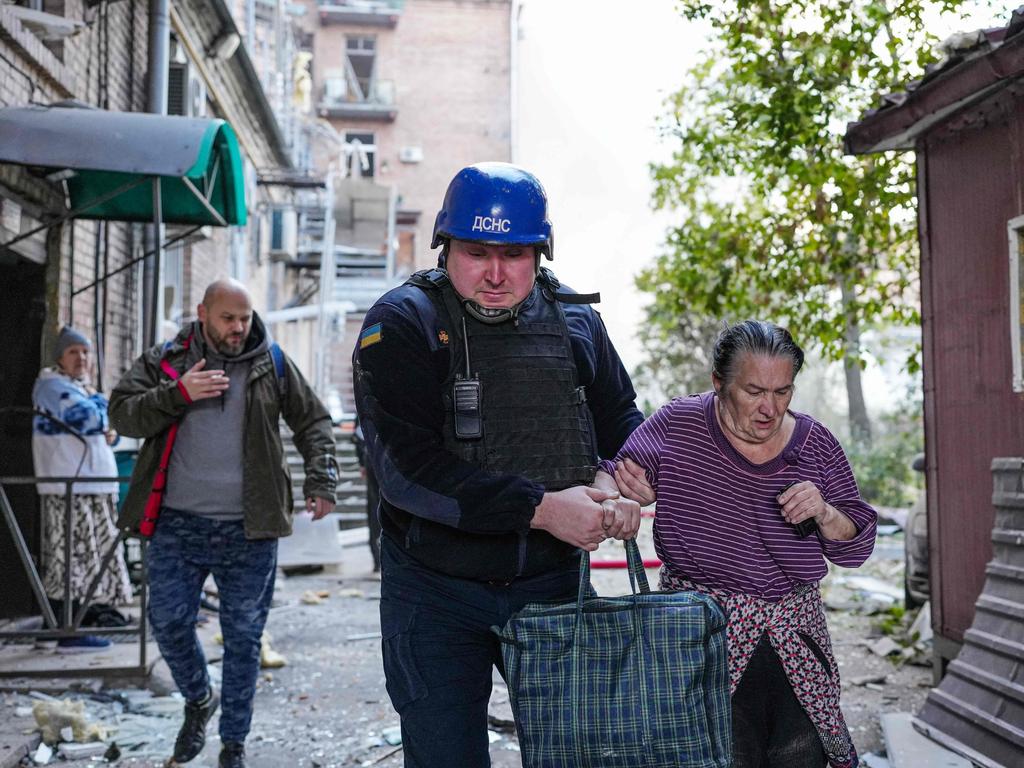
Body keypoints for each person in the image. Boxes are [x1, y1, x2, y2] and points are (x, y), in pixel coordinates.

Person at [353, 162, 645, 767]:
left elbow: (626, 425)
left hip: (551, 587)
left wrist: (613, 479)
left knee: (570, 756)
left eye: (513, 253)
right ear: (445, 246)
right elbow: (407, 474)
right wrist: (541, 510)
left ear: (540, 252)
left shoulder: (576, 321)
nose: (493, 273)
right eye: (476, 251)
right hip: (435, 590)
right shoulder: (402, 324)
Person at [606, 320, 877, 768]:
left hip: (794, 642)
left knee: (799, 757)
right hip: (699, 638)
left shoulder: (816, 445)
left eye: (783, 391)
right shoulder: (680, 424)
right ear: (719, 383)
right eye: (754, 392)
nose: (770, 408)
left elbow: (856, 549)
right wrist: (622, 492)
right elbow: (614, 473)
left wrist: (827, 512)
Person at [109, 279, 338, 768]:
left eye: (245, 317)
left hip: (249, 529)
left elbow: (313, 422)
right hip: (176, 525)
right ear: (202, 314)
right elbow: (123, 416)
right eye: (227, 318)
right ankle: (198, 699)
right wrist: (177, 393)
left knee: (243, 639)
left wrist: (321, 480)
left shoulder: (271, 362)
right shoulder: (166, 358)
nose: (238, 328)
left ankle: (233, 746)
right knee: (168, 623)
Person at [32, 325, 133, 652]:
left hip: (92, 485)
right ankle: (64, 631)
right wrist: (104, 410)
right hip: (68, 487)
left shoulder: (80, 388)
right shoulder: (51, 385)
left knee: (89, 558)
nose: (81, 358)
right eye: (73, 352)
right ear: (60, 357)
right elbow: (88, 417)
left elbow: (108, 427)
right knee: (70, 558)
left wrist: (110, 428)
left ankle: (70, 622)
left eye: (86, 352)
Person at [351, 415, 381, 574]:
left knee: (376, 508)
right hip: (379, 457)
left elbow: (357, 434)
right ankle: (378, 557)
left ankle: (378, 558)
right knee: (377, 508)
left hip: (375, 456)